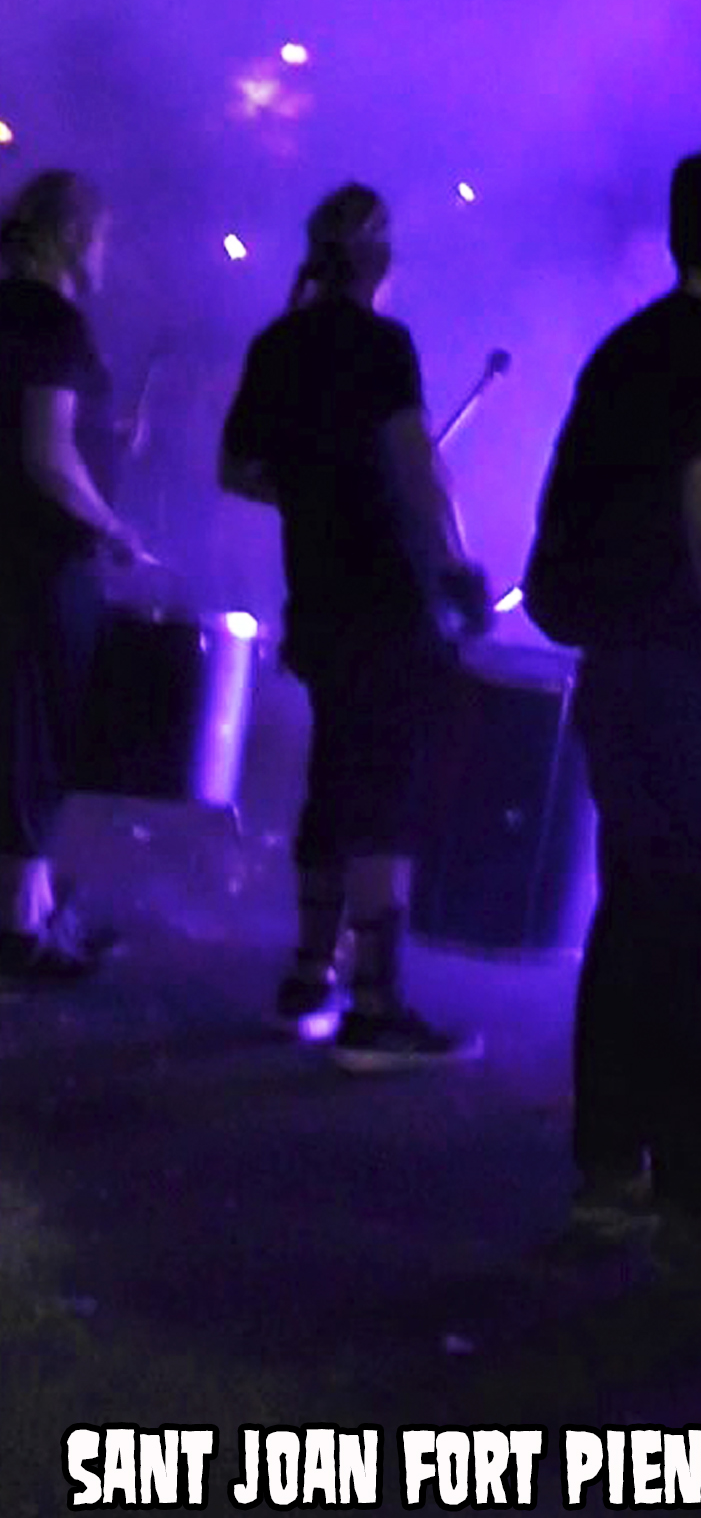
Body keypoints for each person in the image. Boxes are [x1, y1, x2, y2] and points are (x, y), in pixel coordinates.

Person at [525, 143, 701, 1257]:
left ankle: (609, 1170)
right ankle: (695, 1187)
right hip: (696, 689)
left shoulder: (626, 352)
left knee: (635, 915)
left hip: (616, 676)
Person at [220, 184, 488, 1068]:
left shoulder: (279, 344)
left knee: (333, 776)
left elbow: (235, 469)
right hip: (385, 599)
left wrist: (314, 495)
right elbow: (417, 470)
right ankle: (375, 1006)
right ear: (378, 259)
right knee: (381, 794)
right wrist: (453, 570)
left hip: (317, 592)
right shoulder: (382, 346)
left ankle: (308, 976)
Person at [0, 171, 142, 985]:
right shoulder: (54, 324)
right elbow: (47, 454)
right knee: (39, 736)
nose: (105, 253)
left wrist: (107, 436)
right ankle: (20, 929)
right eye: (102, 237)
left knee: (15, 730)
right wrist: (113, 528)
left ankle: (35, 905)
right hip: (42, 566)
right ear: (73, 236)